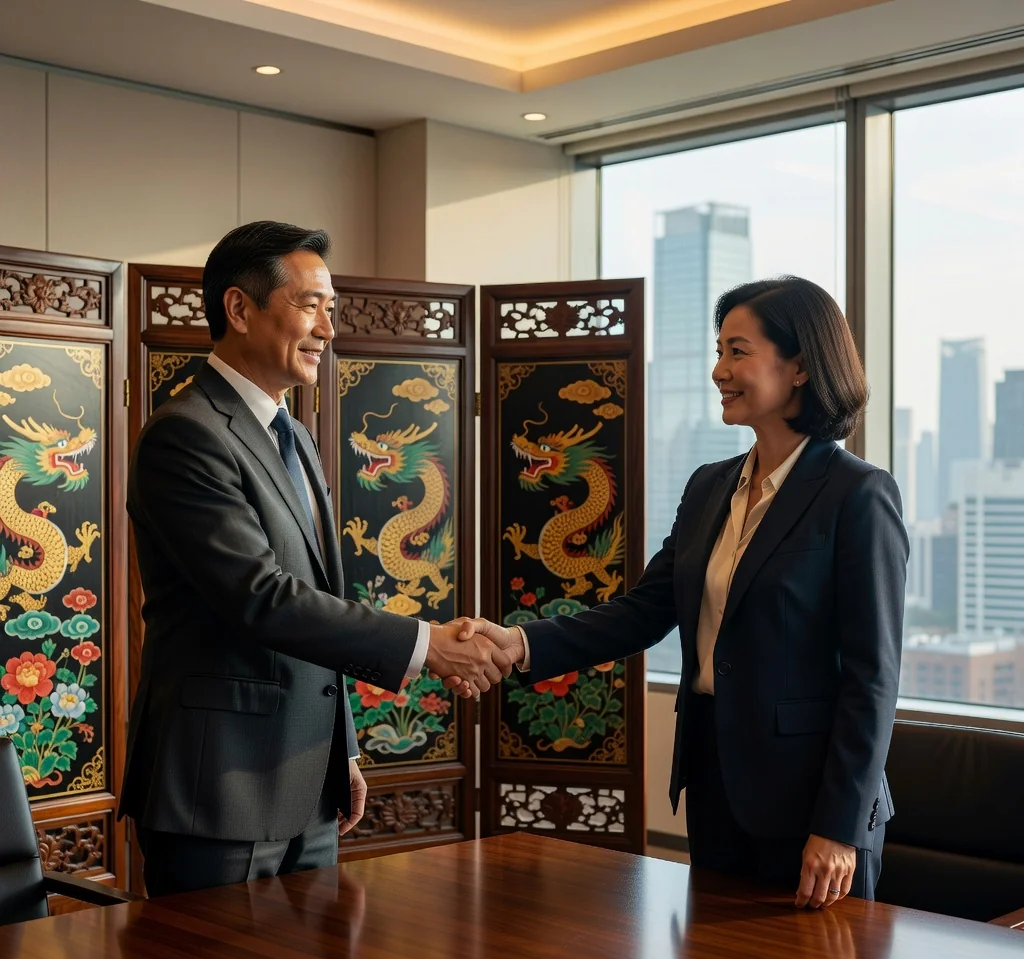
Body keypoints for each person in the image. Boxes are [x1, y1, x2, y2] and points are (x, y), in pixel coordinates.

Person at [459, 276, 908, 908]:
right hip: (715, 780)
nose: (719, 369)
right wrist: (519, 644)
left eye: (737, 351)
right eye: (718, 350)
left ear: (800, 365)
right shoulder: (710, 486)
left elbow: (873, 677)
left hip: (813, 803)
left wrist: (837, 827)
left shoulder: (858, 494)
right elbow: (644, 611)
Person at [120, 221, 508, 896]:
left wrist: (345, 751)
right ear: (240, 309)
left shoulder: (292, 432)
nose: (329, 329)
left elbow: (320, 596)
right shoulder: (185, 435)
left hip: (310, 782)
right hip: (222, 791)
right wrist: (428, 646)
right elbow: (261, 598)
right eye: (311, 306)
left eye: (332, 309)